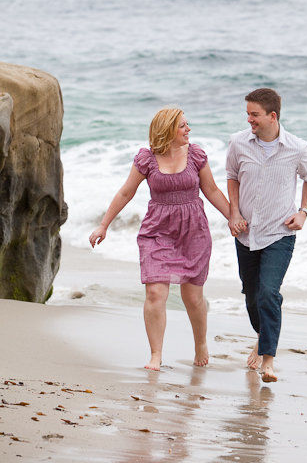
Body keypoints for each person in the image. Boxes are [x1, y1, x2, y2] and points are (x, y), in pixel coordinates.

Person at [89, 107, 230, 371]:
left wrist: (235, 217)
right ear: (167, 130)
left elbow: (211, 190)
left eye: (188, 124)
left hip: (193, 230)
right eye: (183, 126)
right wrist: (103, 225)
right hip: (157, 230)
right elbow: (125, 193)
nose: (188, 129)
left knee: (193, 296)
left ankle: (200, 343)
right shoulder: (147, 159)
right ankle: (156, 355)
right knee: (155, 292)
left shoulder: (196, 154)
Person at [226, 88, 307, 383]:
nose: (249, 119)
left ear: (272, 116)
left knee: (268, 292)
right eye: (248, 114)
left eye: (254, 114)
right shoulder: (239, 143)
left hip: (280, 232)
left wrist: (303, 212)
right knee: (253, 298)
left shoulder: (297, 147)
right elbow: (232, 178)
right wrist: (234, 213)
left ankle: (268, 360)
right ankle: (264, 333)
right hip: (246, 233)